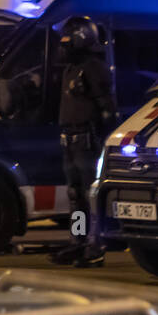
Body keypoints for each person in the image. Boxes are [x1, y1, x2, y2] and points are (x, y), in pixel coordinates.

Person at [50, 16, 116, 268]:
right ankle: (78, 240)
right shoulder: (71, 68)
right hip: (69, 141)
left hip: (87, 141)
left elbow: (107, 110)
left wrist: (101, 138)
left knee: (91, 195)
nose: (63, 45)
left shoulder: (93, 67)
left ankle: (95, 244)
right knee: (75, 195)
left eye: (67, 40)